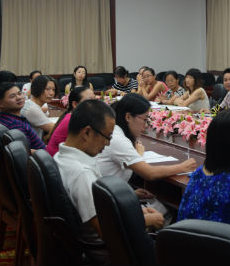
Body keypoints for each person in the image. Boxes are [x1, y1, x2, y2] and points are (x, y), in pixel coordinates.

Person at [54, 99, 163, 254]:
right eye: (107, 136)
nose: (107, 144)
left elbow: (100, 205)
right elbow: (105, 230)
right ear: (87, 132)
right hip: (104, 252)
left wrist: (131, 209)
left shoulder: (60, 156)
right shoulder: (81, 173)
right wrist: (143, 220)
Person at [97, 93, 197, 181]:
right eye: (144, 119)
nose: (145, 126)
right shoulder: (118, 139)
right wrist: (182, 167)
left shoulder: (116, 132)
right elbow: (150, 173)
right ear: (128, 117)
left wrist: (132, 193)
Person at [0, 82, 45, 150]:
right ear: (0, 103)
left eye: (19, 93)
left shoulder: (9, 118)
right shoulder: (15, 125)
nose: (18, 98)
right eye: (12, 96)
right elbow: (25, 152)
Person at [46, 86, 96, 156]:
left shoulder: (72, 116)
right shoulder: (74, 122)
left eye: (95, 99)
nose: (95, 104)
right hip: (59, 160)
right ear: (75, 104)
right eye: (89, 101)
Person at [21, 75, 57, 140]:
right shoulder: (31, 108)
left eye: (53, 90)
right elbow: (55, 129)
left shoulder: (31, 104)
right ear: (37, 89)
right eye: (47, 89)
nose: (51, 93)